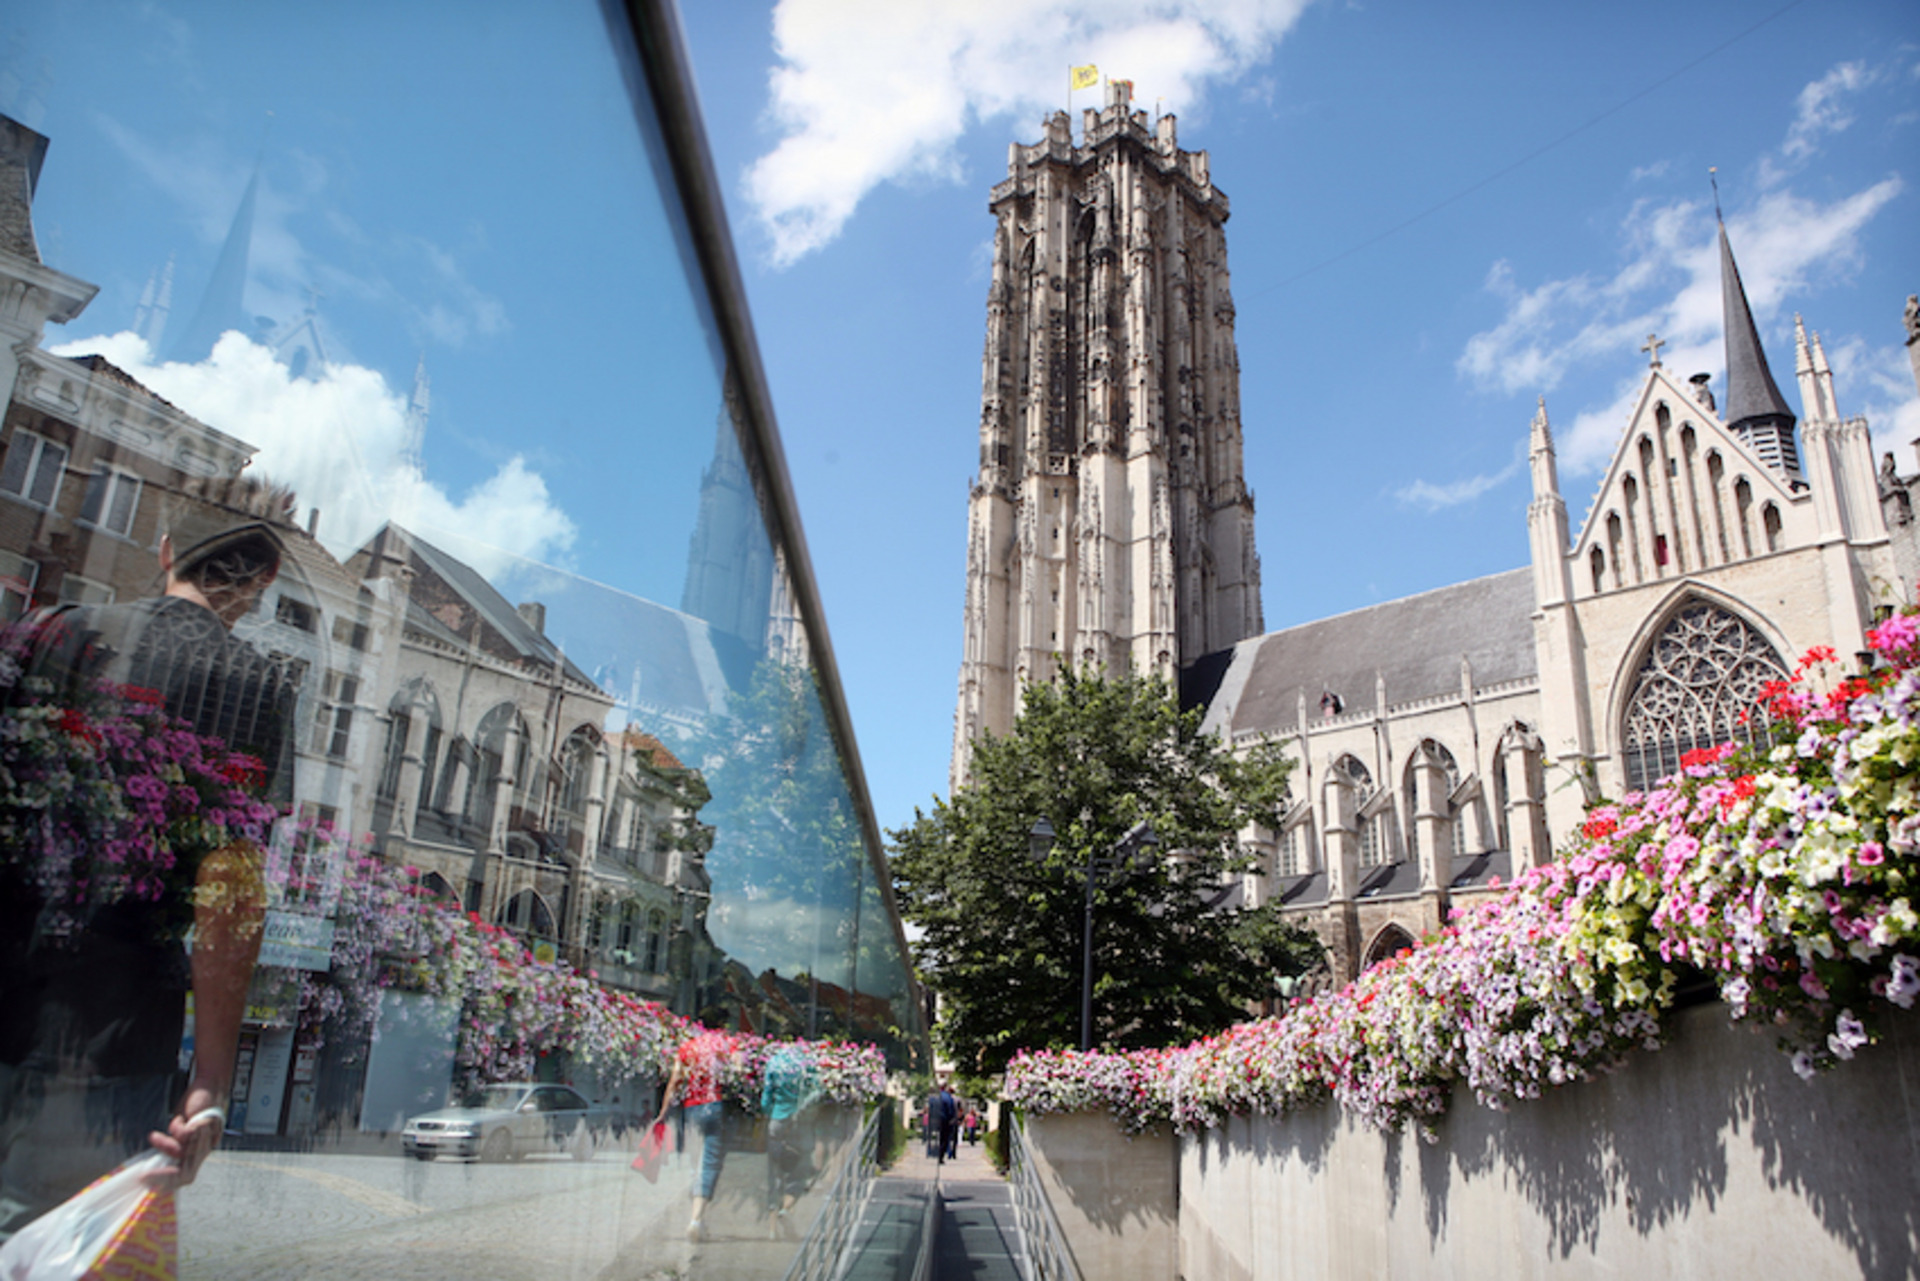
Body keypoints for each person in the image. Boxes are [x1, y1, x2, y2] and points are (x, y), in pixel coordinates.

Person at [0, 477, 299, 1241]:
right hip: (115, 1043)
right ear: (264, 580)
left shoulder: (57, 631)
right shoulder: (257, 688)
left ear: (165, 548)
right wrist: (209, 1080)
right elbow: (231, 895)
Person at [652, 1026, 737, 1242]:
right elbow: (739, 1072)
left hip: (691, 1109)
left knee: (694, 1163)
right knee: (709, 1163)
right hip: (714, 1105)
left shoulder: (687, 1048)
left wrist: (663, 1112)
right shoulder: (725, 1045)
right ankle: (696, 1220)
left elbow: (674, 1082)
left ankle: (698, 1217)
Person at [759, 1044, 817, 1239]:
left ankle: (772, 1230)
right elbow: (816, 1090)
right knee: (801, 1169)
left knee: (774, 1174)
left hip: (776, 1121)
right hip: (799, 1122)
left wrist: (771, 1113)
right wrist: (802, 1106)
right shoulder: (806, 1063)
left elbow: (765, 1099)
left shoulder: (774, 1063)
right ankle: (787, 1207)